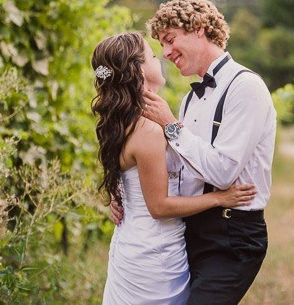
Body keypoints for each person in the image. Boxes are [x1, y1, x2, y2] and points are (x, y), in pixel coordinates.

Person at [113, 0, 277, 305]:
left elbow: (223, 172)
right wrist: (123, 189)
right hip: (192, 229)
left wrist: (171, 125)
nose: (165, 52)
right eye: (161, 45)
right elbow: (177, 166)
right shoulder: (190, 100)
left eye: (170, 39)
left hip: (233, 235)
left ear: (198, 28)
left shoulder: (246, 87)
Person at [91, 31, 257, 305]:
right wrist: (219, 198)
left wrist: (118, 197)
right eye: (153, 55)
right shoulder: (146, 130)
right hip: (152, 255)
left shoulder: (123, 121)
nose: (162, 58)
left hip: (137, 243)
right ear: (138, 70)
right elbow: (159, 207)